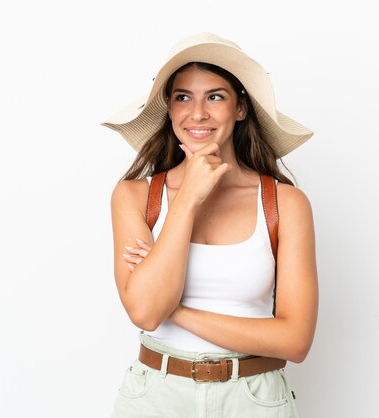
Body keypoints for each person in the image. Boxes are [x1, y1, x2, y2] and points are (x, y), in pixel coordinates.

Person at [102, 32, 318, 417]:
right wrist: (186, 200)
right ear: (169, 109)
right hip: (156, 396)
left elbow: (295, 340)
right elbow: (146, 314)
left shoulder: (285, 204)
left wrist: (176, 309)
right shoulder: (135, 196)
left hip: (253, 399)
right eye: (183, 97)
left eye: (215, 96)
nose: (197, 113)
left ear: (240, 108)